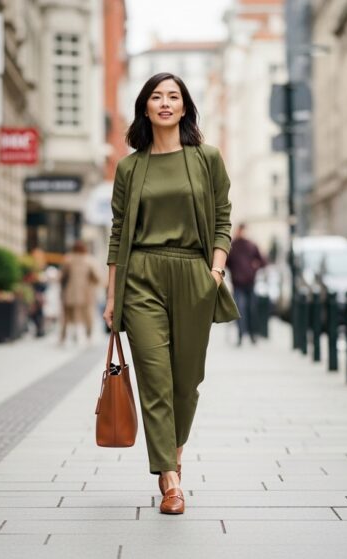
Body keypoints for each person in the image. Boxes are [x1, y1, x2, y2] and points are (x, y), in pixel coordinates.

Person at [103, 72, 240, 515]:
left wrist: (214, 275)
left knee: (187, 381)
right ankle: (170, 479)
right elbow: (118, 233)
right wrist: (111, 297)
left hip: (193, 275)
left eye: (173, 96)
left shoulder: (206, 158)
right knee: (155, 378)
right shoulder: (130, 167)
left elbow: (222, 218)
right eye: (156, 97)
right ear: (145, 107)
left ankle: (173, 449)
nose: (165, 103)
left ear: (184, 108)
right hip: (140, 275)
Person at [226, 223, 267, 345]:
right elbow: (226, 262)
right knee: (239, 310)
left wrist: (255, 267)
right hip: (238, 284)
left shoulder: (251, 245)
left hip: (250, 282)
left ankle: (252, 334)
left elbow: (263, 261)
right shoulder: (232, 246)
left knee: (251, 310)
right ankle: (240, 335)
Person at [59, 240, 100, 345]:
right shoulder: (89, 260)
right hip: (86, 294)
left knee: (66, 317)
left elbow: (61, 277)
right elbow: (97, 278)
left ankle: (63, 338)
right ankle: (88, 337)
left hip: (70, 293)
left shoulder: (68, 259)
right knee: (88, 316)